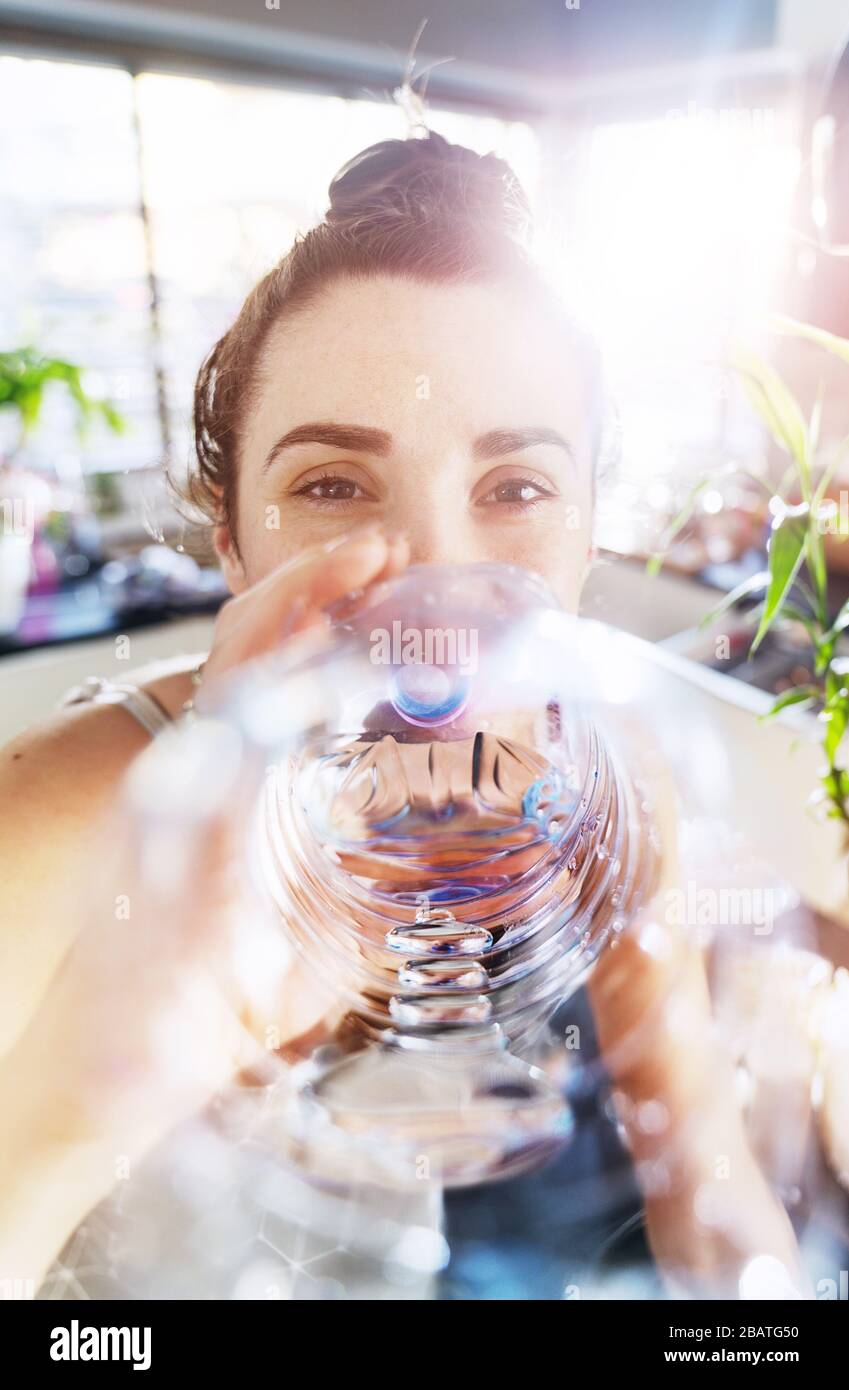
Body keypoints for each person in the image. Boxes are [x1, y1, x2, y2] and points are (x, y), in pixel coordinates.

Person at [0, 130, 808, 1299]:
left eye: (517, 489)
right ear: (233, 538)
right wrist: (81, 1109)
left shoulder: (615, 783)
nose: (438, 579)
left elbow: (709, 1187)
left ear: (589, 534)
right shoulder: (55, 824)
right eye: (333, 486)